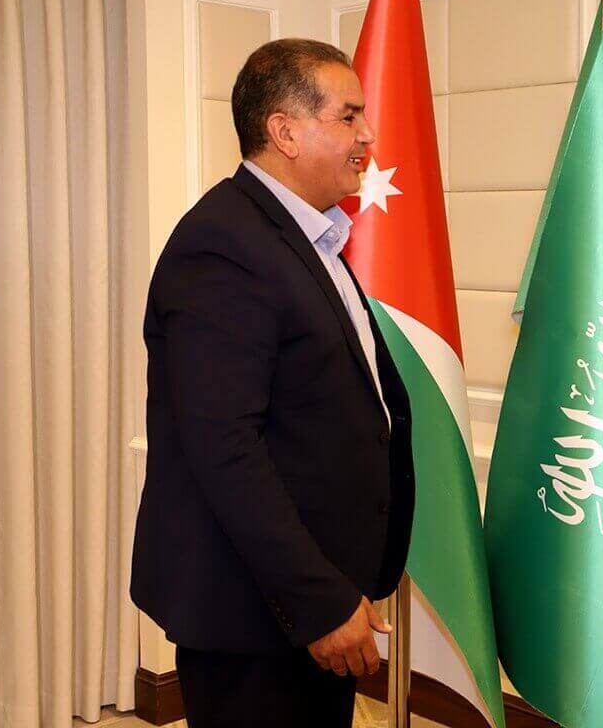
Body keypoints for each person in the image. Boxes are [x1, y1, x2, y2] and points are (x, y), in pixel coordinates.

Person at [131, 38, 415, 727]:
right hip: (255, 615)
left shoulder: (308, 236)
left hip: (308, 596)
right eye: (348, 116)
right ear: (285, 132)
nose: (368, 135)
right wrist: (319, 600)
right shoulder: (224, 244)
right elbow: (225, 448)